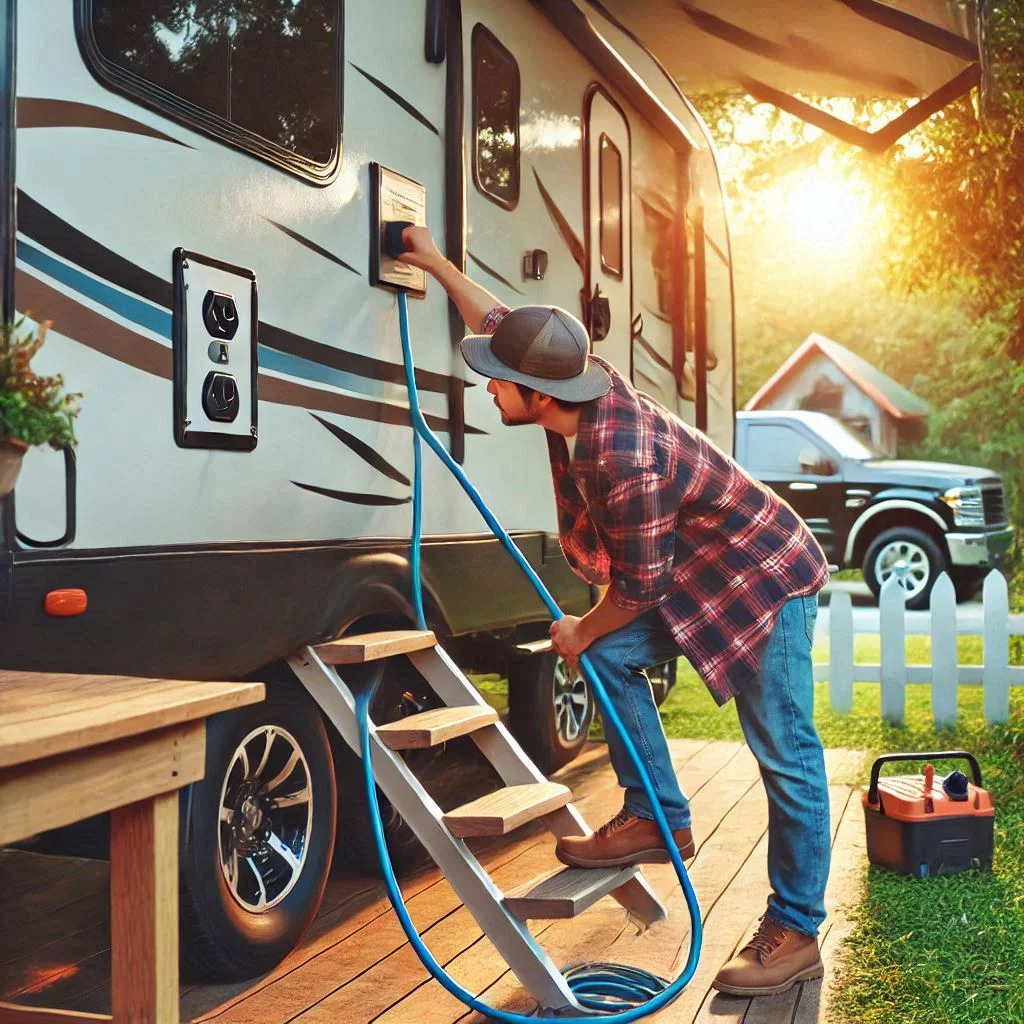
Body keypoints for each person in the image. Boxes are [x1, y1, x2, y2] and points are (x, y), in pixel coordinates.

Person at [397, 227, 831, 997]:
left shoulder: (619, 457)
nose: (487, 388)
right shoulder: (575, 379)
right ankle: (657, 813)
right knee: (603, 653)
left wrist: (576, 628)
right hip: (703, 574)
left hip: (765, 579)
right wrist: (432, 261)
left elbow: (638, 587)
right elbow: (504, 324)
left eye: (498, 383)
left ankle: (795, 929)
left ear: (538, 396)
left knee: (785, 756)